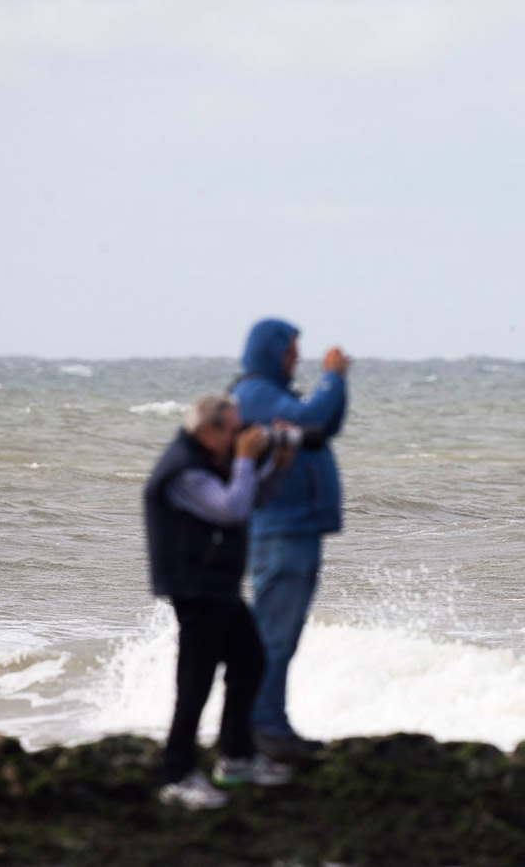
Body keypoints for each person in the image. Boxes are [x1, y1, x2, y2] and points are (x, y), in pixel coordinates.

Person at [144, 394, 294, 809]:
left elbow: (252, 499)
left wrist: (277, 464)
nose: (240, 435)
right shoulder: (183, 470)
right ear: (208, 432)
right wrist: (247, 460)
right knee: (195, 683)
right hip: (195, 588)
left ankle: (236, 757)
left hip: (218, 586)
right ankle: (174, 774)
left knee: (250, 661)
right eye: (233, 429)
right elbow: (231, 508)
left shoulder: (209, 459)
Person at [231, 319, 348, 761]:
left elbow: (324, 426)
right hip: (281, 531)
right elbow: (313, 417)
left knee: (282, 635)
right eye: (291, 350)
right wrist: (332, 377)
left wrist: (337, 385)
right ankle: (263, 728)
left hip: (296, 528)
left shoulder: (273, 395)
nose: (297, 358)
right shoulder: (256, 393)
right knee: (273, 636)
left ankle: (271, 723)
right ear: (270, 350)